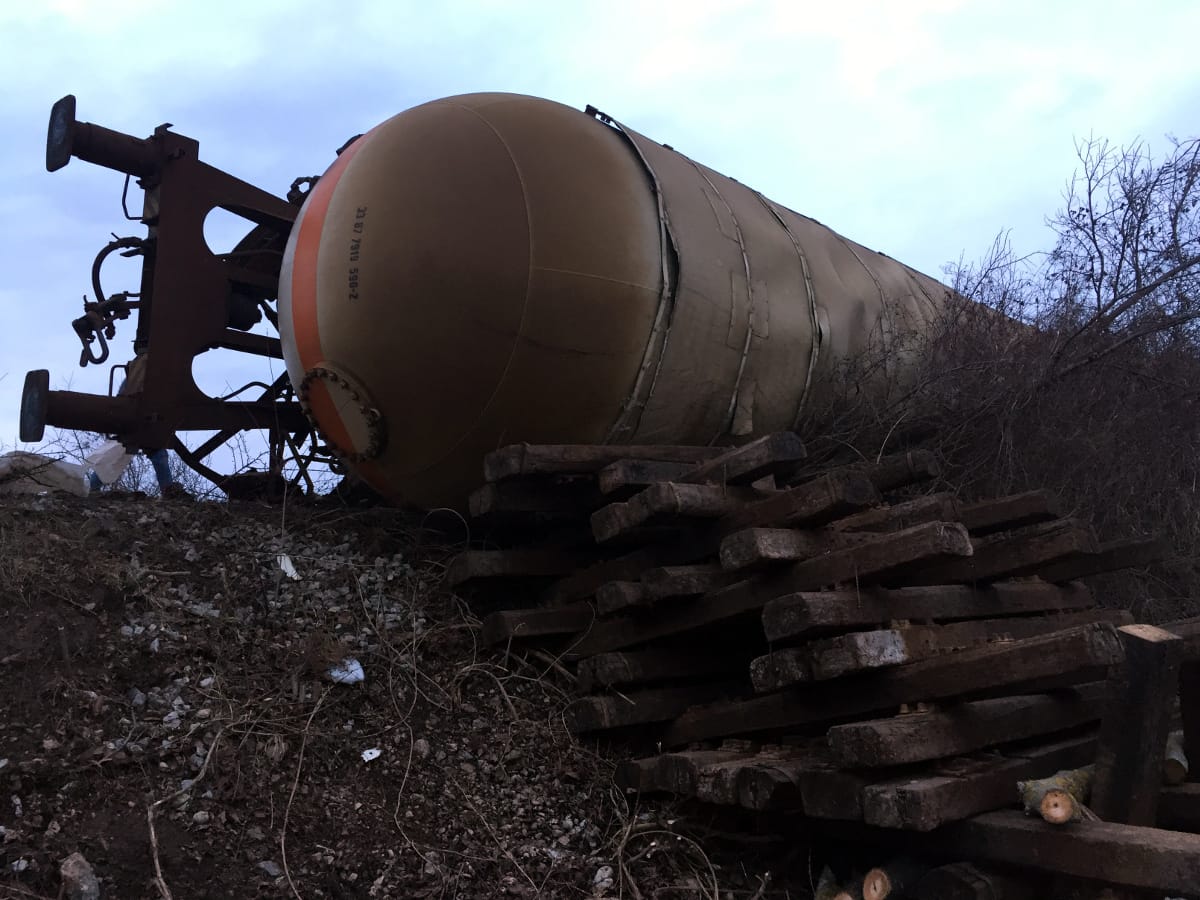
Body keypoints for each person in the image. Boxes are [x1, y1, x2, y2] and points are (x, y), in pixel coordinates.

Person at [86, 354, 187, 498]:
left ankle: (92, 489)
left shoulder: (140, 369)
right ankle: (168, 491)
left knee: (120, 454)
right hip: (138, 419)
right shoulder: (146, 367)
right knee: (123, 453)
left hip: (144, 420)